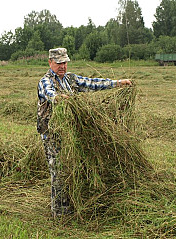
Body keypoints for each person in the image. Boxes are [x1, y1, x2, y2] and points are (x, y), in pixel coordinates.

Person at [37, 47, 132, 217]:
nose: (62, 66)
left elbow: (93, 83)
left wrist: (118, 83)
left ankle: (71, 205)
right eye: (58, 63)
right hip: (52, 134)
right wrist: (59, 98)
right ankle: (59, 213)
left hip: (70, 134)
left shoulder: (71, 79)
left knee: (71, 169)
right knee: (58, 171)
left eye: (65, 62)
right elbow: (49, 94)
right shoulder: (46, 81)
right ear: (50, 62)